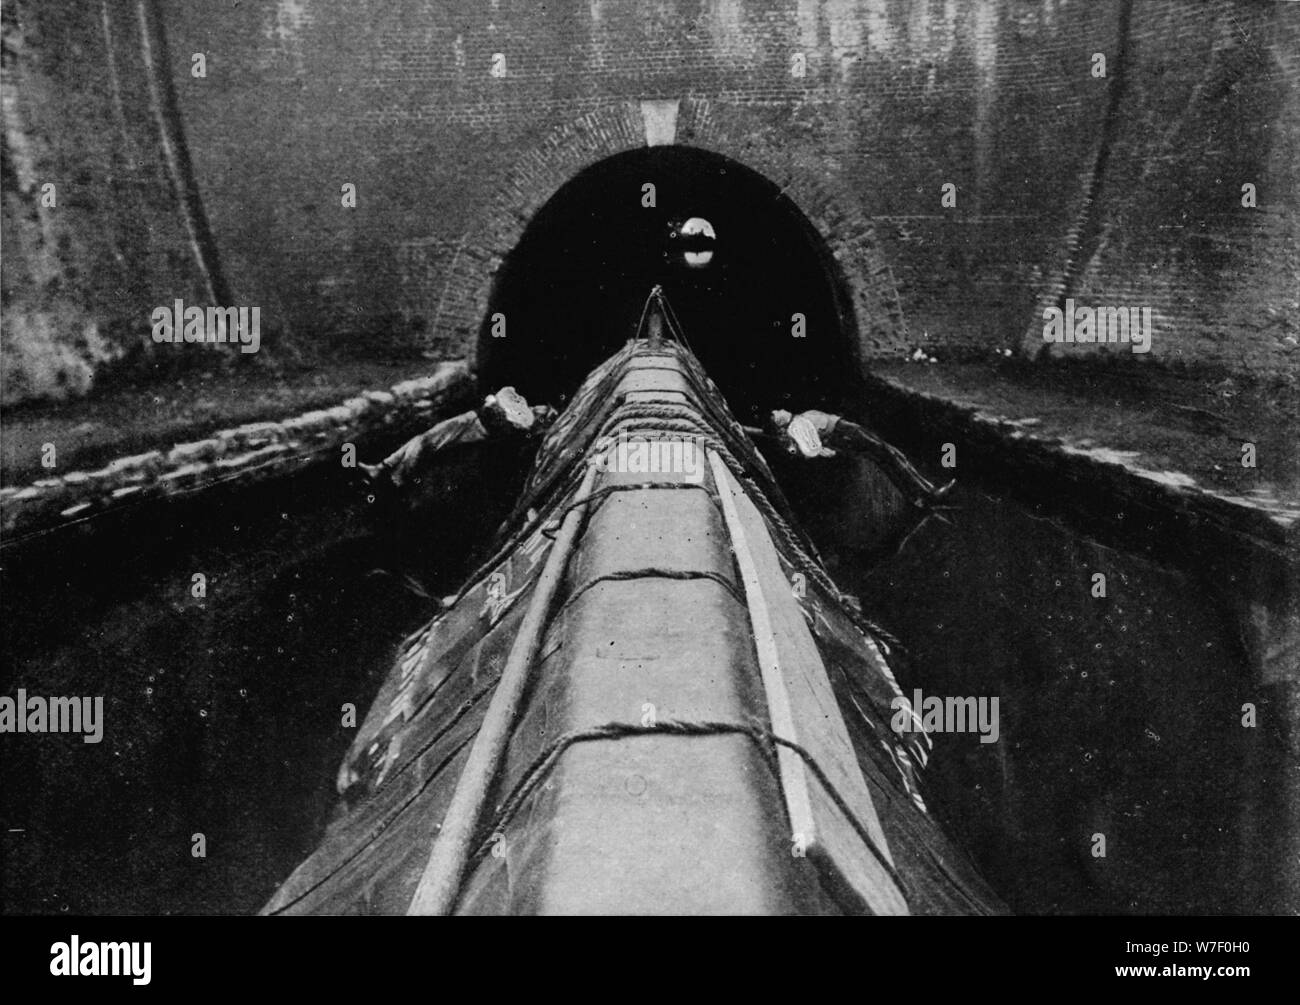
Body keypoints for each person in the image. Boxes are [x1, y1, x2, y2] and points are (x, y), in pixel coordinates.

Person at [358, 386, 555, 494]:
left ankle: (398, 475)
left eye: (542, 411)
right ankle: (383, 466)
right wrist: (500, 403)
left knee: (425, 442)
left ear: (541, 419)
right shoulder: (523, 411)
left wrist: (498, 403)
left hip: (472, 427)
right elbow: (506, 393)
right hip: (471, 419)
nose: (538, 408)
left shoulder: (526, 419)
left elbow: (505, 400)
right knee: (422, 438)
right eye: (541, 407)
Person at [763, 408, 954, 509]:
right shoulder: (797, 425)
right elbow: (810, 448)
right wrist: (820, 448)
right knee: (891, 454)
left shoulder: (798, 422)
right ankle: (929, 493)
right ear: (778, 422)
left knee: (884, 459)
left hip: (843, 432)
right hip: (844, 432)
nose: (779, 409)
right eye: (776, 413)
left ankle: (916, 497)